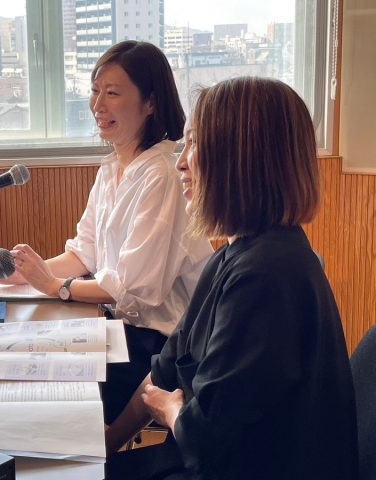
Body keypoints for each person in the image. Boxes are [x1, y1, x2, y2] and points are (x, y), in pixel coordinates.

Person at [104, 76, 359, 480]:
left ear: (242, 159)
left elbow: (204, 438)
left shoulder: (267, 276)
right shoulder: (233, 255)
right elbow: (163, 371)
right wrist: (108, 442)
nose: (181, 162)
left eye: (195, 144)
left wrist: (170, 409)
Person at [0, 40, 213, 423]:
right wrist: (25, 272)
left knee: (47, 381)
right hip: (121, 328)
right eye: (94, 91)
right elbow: (82, 254)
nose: (98, 106)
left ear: (151, 103)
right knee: (26, 351)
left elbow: (132, 290)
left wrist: (54, 285)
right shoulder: (111, 169)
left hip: (162, 344)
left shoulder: (160, 176)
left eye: (113, 93)